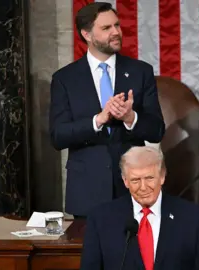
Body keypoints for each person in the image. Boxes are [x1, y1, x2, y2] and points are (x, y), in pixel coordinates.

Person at [49, 2, 165, 219]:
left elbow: (157, 130)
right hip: (87, 193)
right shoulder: (65, 79)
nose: (116, 32)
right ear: (87, 35)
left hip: (133, 190)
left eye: (117, 25)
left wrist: (130, 118)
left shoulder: (140, 72)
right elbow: (58, 136)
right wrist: (98, 120)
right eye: (106, 28)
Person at [80, 146, 199, 270]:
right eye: (135, 180)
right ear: (125, 181)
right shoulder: (100, 219)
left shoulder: (193, 217)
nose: (143, 187)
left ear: (162, 176)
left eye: (149, 178)